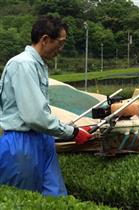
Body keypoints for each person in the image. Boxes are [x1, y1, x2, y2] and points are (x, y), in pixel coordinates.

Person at [0, 15, 93, 196]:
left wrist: (71, 129)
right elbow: (35, 116)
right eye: (60, 42)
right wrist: (71, 132)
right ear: (45, 39)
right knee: (24, 200)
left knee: (56, 197)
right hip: (21, 142)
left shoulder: (39, 64)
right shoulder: (23, 65)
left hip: (43, 139)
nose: (61, 48)